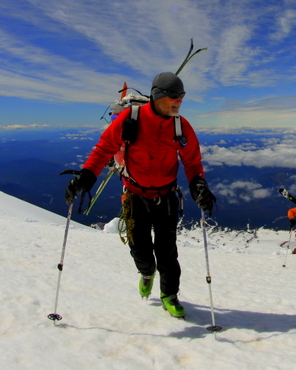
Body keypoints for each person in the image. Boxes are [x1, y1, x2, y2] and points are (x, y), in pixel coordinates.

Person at [64, 72, 216, 318]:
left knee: (168, 252)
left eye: (182, 96)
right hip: (135, 195)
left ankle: (169, 295)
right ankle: (147, 272)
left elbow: (192, 161)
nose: (179, 101)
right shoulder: (130, 119)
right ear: (157, 95)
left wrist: (198, 184)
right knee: (140, 250)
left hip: (165, 196)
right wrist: (87, 175)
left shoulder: (180, 125)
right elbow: (104, 148)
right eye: (173, 96)